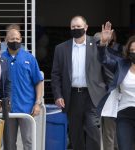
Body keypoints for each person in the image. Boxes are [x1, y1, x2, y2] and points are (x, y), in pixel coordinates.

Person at [51, 15, 107, 150]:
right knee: (75, 135)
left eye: (79, 26)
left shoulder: (96, 45)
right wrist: (58, 95)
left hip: (92, 96)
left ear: (86, 28)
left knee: (93, 131)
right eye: (73, 27)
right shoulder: (61, 49)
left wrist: (104, 44)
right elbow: (56, 75)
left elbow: (106, 64)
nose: (76, 29)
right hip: (72, 96)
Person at [2, 28, 43, 150]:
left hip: (27, 109)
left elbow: (38, 82)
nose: (15, 41)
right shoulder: (0, 58)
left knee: (29, 143)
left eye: (17, 39)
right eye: (12, 39)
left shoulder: (29, 58)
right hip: (7, 109)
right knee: (9, 144)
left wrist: (37, 103)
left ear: (21, 40)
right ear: (6, 41)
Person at [97, 21, 135, 150]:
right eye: (132, 51)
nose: (134, 53)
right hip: (124, 114)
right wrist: (103, 44)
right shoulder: (121, 64)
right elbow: (104, 60)